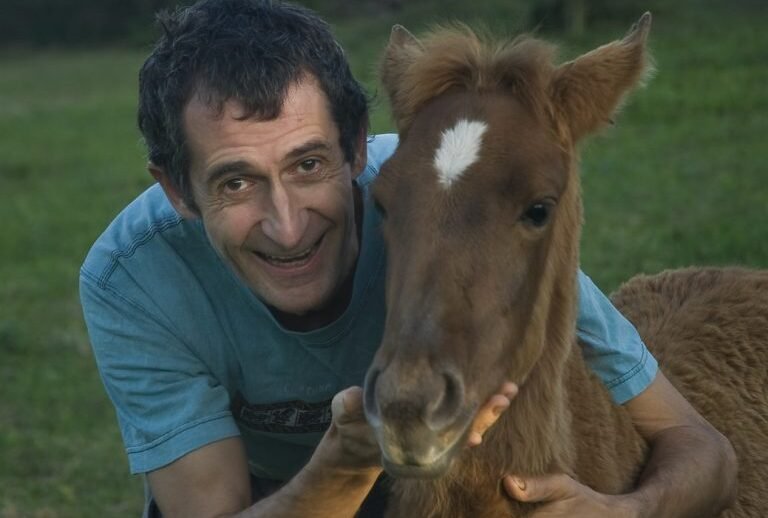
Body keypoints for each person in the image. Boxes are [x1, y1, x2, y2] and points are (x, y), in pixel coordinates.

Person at [79, 0, 737, 516]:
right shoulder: (132, 278)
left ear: (360, 148)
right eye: (236, 182)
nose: (286, 227)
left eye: (308, 164)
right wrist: (347, 460)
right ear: (176, 191)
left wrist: (630, 510)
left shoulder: (440, 198)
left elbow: (700, 444)